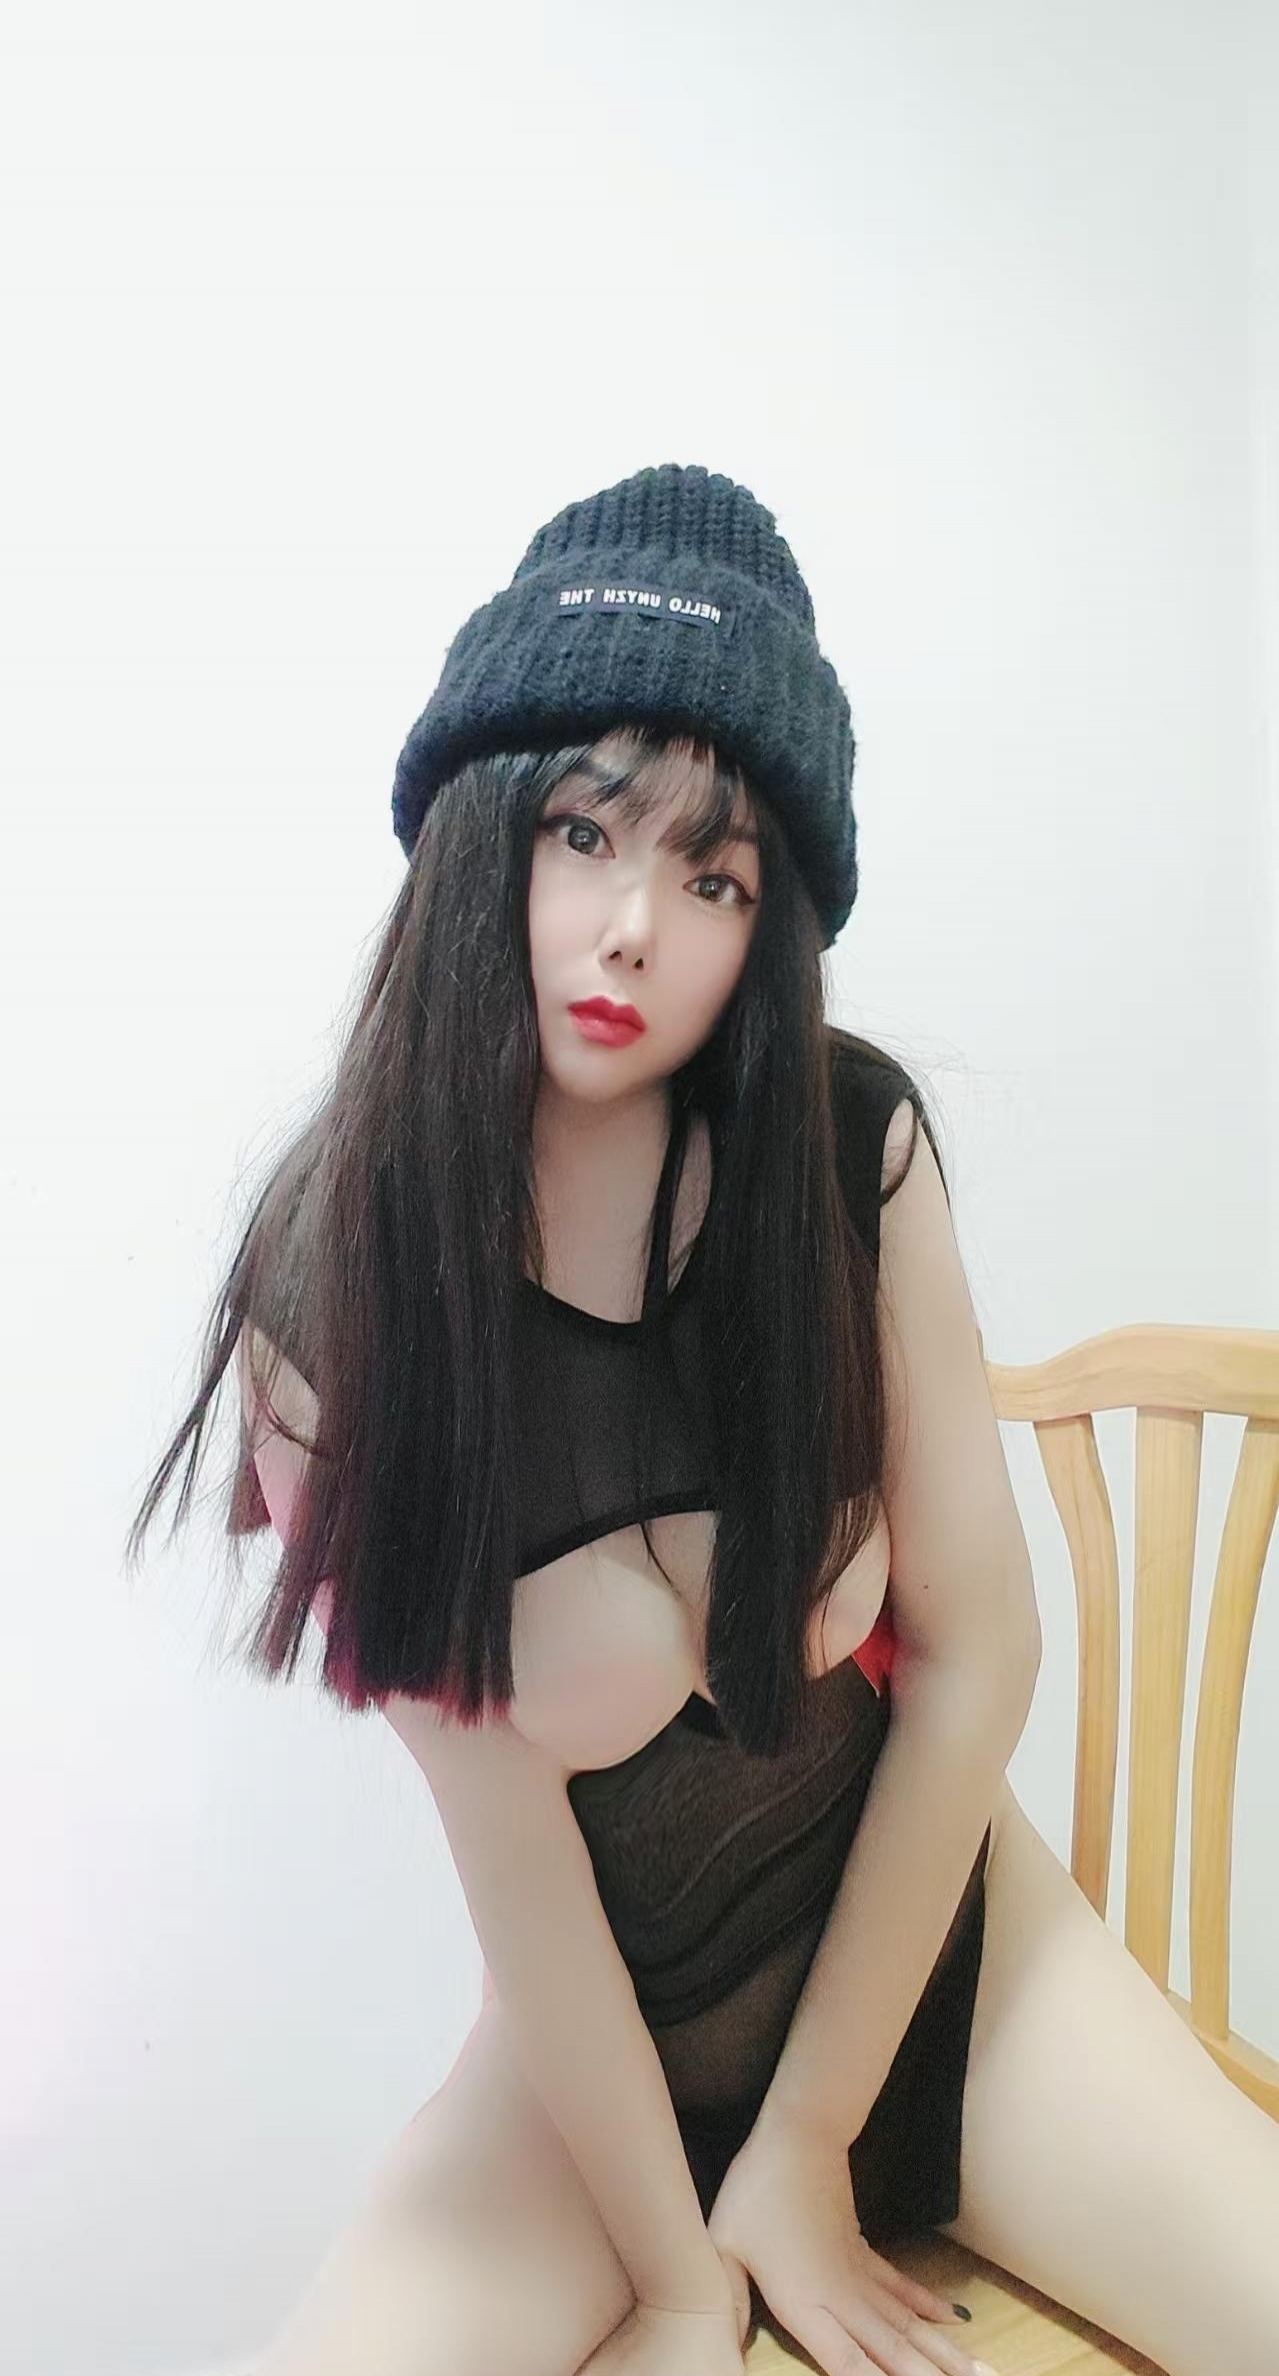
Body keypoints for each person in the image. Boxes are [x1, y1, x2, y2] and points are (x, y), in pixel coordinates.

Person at [127, 464, 1279, 2376]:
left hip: (950, 1976)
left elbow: (983, 1653)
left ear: (771, 921)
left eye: (715, 875)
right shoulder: (332, 1295)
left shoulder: (847, 1149)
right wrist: (680, 2274)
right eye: (584, 831)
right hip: (593, 2087)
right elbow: (506, 1846)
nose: (635, 928)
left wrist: (810, 2145)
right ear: (481, 825)